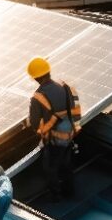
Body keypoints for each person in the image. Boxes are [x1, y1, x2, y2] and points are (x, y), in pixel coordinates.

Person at [26, 56, 82, 201]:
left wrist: (39, 129)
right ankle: (70, 192)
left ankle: (56, 196)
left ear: (35, 78)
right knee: (67, 164)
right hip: (70, 134)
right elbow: (75, 109)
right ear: (48, 71)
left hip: (54, 140)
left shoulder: (38, 97)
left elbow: (34, 123)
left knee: (51, 169)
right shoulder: (65, 86)